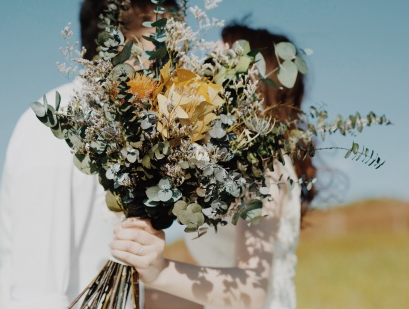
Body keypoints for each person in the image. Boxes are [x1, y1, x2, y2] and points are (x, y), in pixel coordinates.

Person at [0, 0, 179, 309]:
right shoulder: (51, 126)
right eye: (166, 39)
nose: (177, 59)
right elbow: (37, 293)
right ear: (120, 44)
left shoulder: (139, 132)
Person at [110, 24, 317, 309]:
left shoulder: (267, 168)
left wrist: (158, 271)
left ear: (252, 84)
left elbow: (252, 291)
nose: (204, 75)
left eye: (217, 66)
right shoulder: (220, 168)